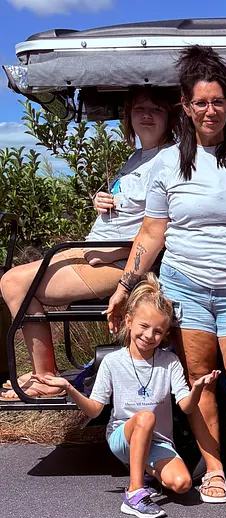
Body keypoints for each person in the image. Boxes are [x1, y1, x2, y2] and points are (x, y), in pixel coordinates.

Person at [105, 46, 226, 505]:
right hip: (186, 286)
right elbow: (152, 231)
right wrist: (125, 286)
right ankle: (215, 468)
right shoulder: (167, 162)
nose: (210, 111)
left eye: (218, 101)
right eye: (200, 102)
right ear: (185, 106)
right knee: (200, 377)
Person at [1, 87, 177, 399]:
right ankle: (45, 373)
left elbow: (163, 227)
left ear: (170, 117)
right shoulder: (138, 157)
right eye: (140, 109)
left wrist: (112, 253)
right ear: (129, 116)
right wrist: (102, 199)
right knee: (13, 280)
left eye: (156, 110)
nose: (147, 116)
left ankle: (46, 378)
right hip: (94, 252)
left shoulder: (169, 159)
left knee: (15, 283)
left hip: (117, 262)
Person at [37, 274, 220, 518]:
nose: (149, 336)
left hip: (158, 440)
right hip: (122, 437)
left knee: (182, 484)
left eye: (158, 331)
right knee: (145, 417)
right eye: (144, 326)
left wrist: (197, 388)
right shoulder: (113, 362)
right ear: (129, 321)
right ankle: (135, 493)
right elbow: (94, 409)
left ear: (165, 334)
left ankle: (146, 471)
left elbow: (186, 407)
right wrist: (70, 389)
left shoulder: (169, 362)